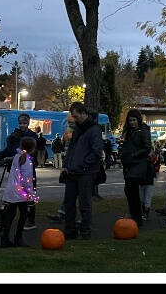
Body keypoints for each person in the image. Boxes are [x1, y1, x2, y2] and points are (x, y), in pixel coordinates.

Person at [60, 102, 102, 240]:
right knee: (69, 203)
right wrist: (67, 164)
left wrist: (84, 164)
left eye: (76, 117)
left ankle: (85, 230)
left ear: (84, 113)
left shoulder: (94, 129)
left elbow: (96, 151)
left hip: (85, 172)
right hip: (74, 170)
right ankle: (71, 230)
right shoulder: (78, 128)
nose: (75, 119)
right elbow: (71, 148)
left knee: (84, 204)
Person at [0, 113, 39, 230]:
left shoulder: (32, 136)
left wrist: (13, 157)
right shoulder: (14, 135)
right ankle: (6, 217)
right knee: (13, 193)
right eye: (20, 123)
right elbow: (9, 149)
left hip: (26, 168)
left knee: (28, 193)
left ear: (28, 123)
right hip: (14, 170)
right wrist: (0, 155)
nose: (22, 125)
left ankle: (30, 220)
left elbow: (30, 152)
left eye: (24, 123)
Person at [0, 137, 39, 248]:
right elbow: (27, 180)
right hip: (21, 192)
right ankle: (18, 238)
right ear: (32, 148)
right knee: (23, 214)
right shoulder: (27, 161)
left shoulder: (17, 157)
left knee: (10, 215)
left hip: (12, 190)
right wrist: (31, 195)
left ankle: (5, 238)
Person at [119, 109, 152, 226]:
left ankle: (137, 215)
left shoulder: (143, 131)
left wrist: (134, 154)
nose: (132, 123)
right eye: (130, 120)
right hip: (129, 163)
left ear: (138, 120)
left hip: (137, 163)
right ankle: (135, 214)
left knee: (132, 189)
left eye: (134, 120)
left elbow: (147, 147)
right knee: (129, 190)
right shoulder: (130, 132)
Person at [139, 145, 159, 221]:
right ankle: (144, 212)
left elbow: (154, 168)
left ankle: (145, 213)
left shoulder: (150, 159)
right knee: (143, 198)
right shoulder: (147, 159)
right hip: (144, 181)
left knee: (146, 198)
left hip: (148, 181)